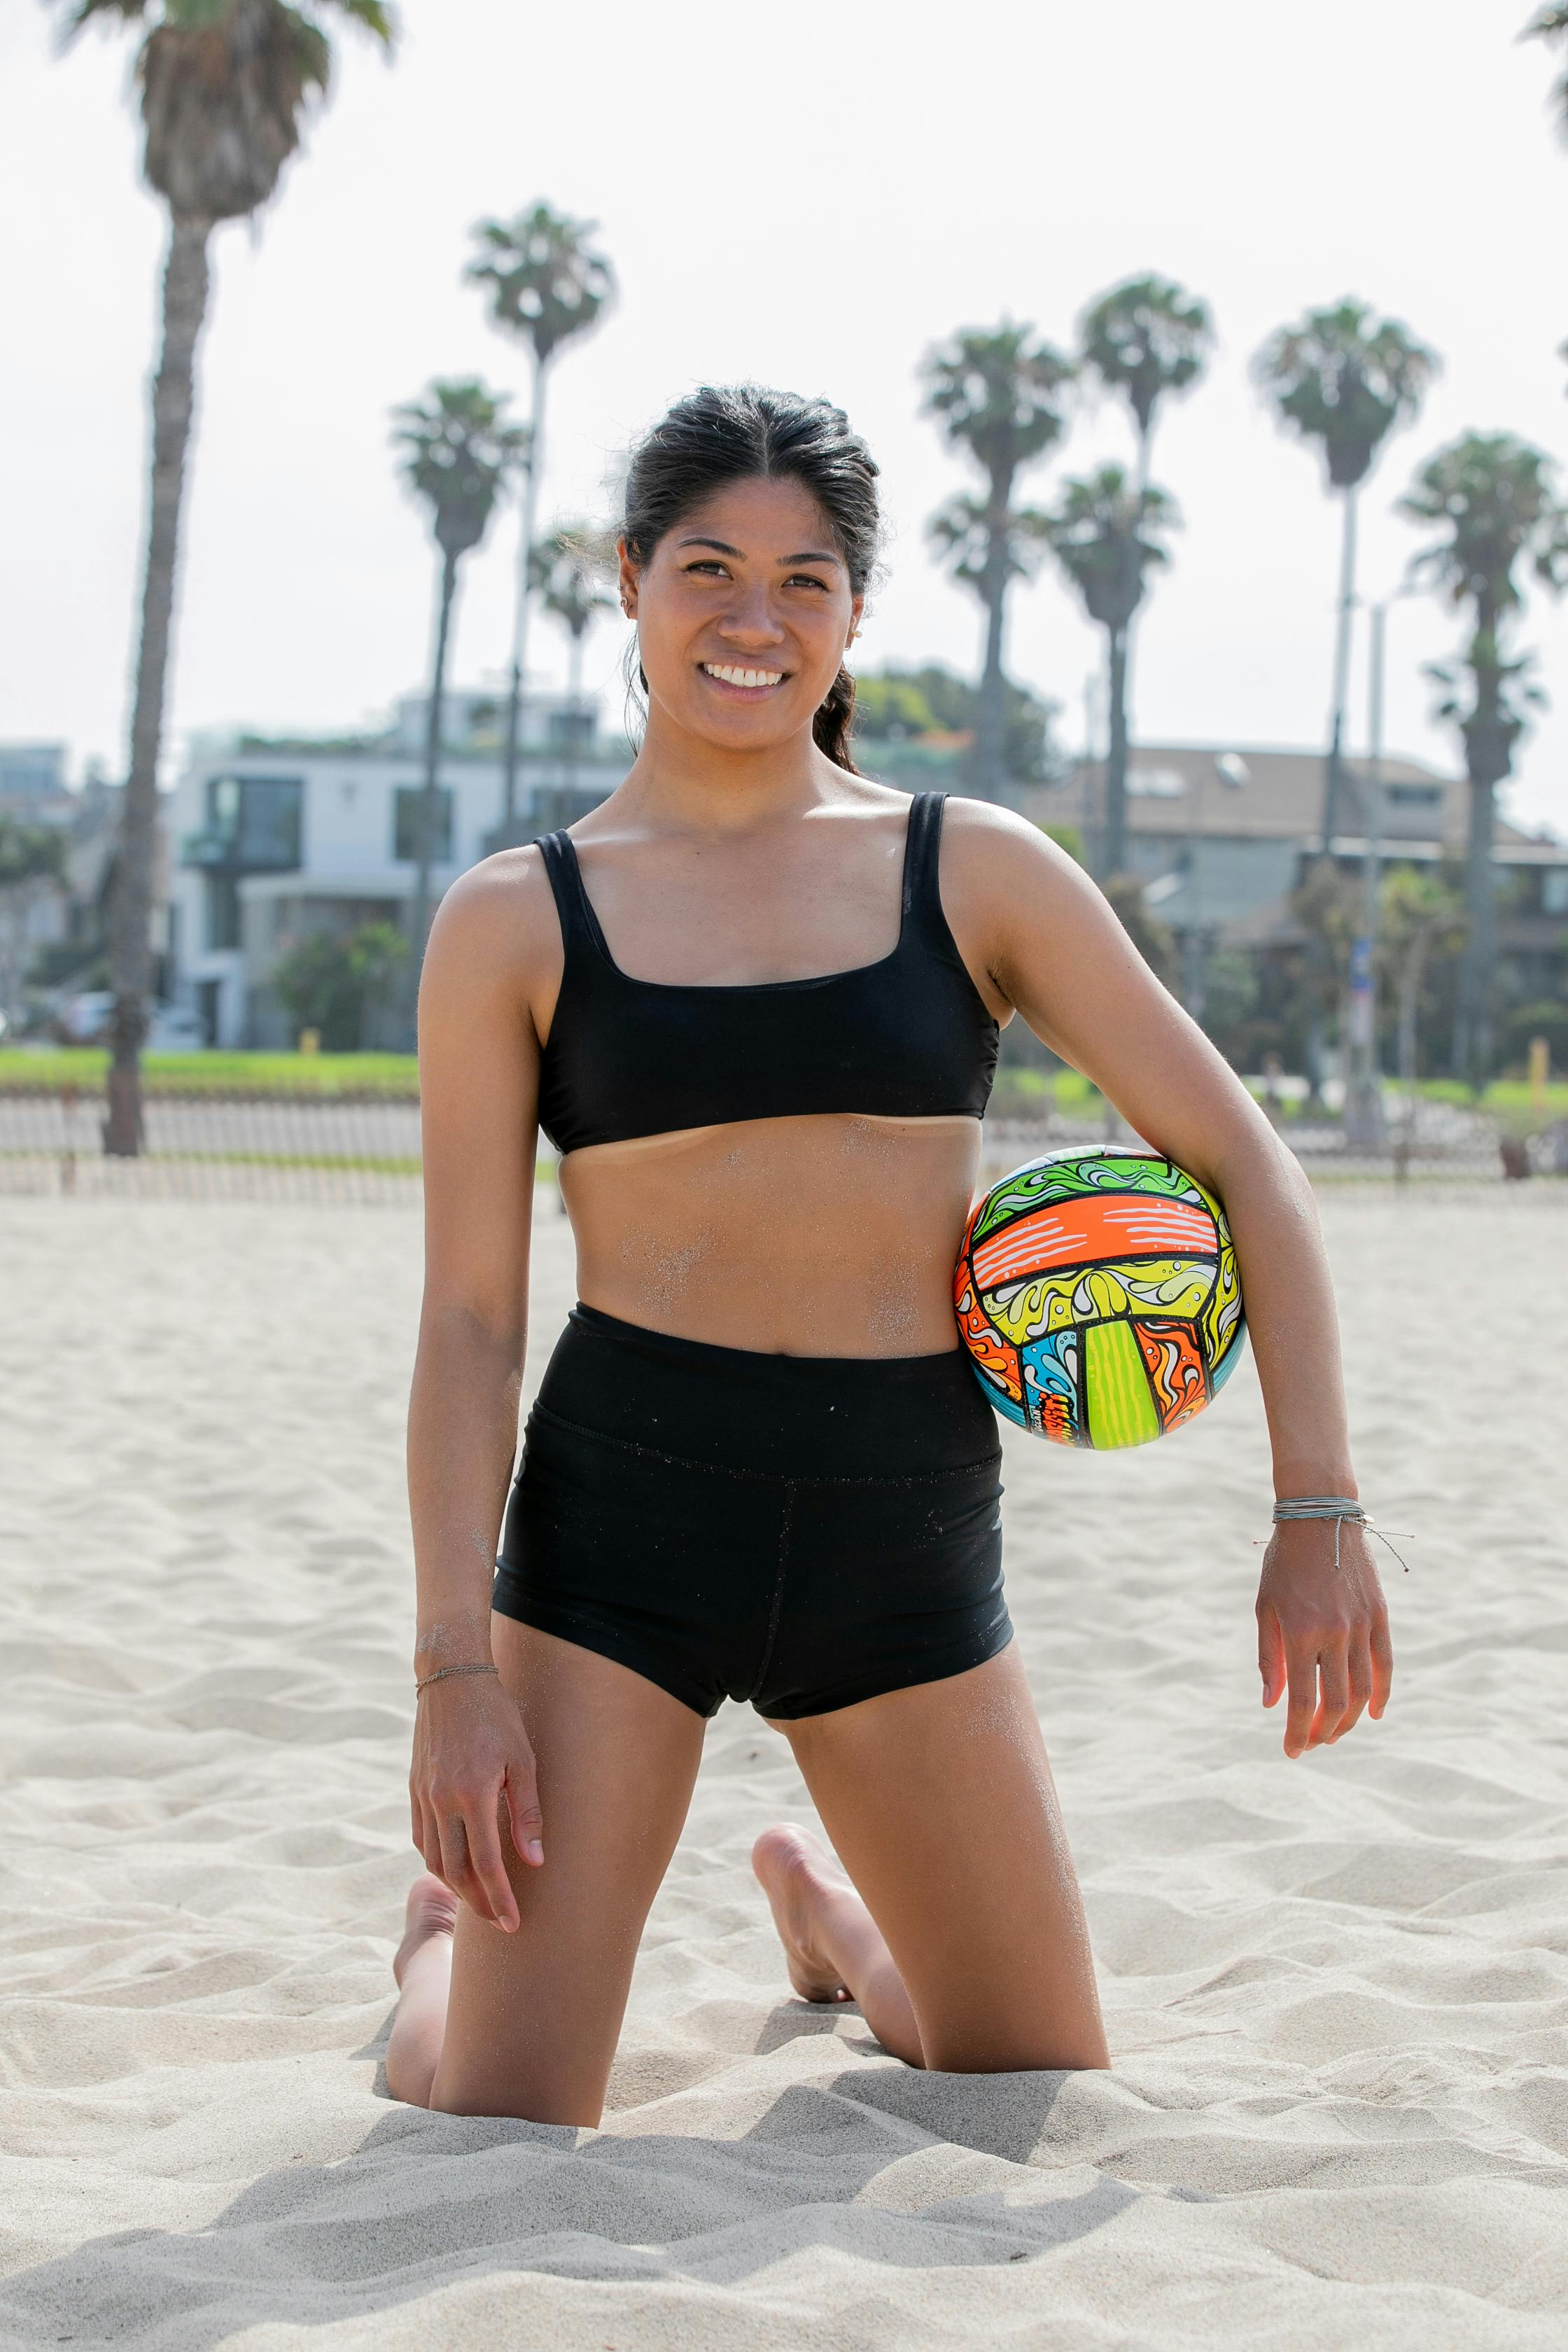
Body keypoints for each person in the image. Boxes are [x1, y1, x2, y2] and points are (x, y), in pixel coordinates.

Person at [386, 384, 1393, 2125]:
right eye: (708, 568)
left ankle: (840, 1935)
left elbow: (1245, 1165)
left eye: (804, 580)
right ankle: (425, 1959)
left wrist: (1317, 1510)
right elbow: (473, 1321)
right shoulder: (514, 917)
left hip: (903, 1527)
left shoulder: (972, 871)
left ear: (853, 614)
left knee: (1029, 2071)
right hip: (621, 1523)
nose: (752, 621)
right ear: (628, 584)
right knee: (494, 2106)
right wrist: (452, 1670)